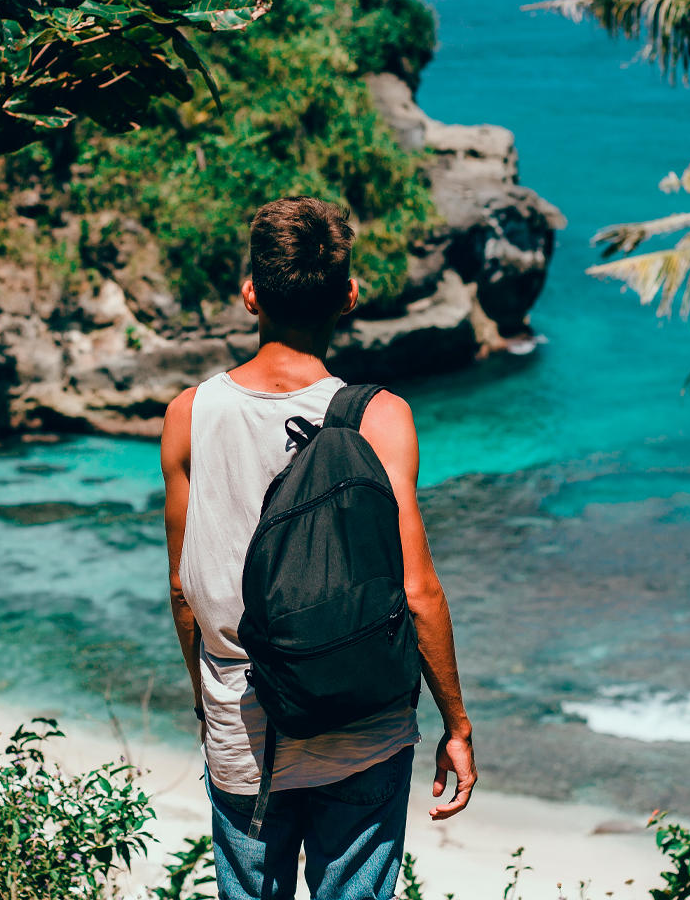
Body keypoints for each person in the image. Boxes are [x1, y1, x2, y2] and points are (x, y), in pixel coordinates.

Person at [161, 196, 476, 900]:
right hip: (363, 725)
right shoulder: (381, 417)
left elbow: (185, 591)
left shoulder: (189, 415)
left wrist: (206, 704)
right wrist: (457, 723)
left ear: (251, 295)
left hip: (243, 727)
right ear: (349, 297)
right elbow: (417, 591)